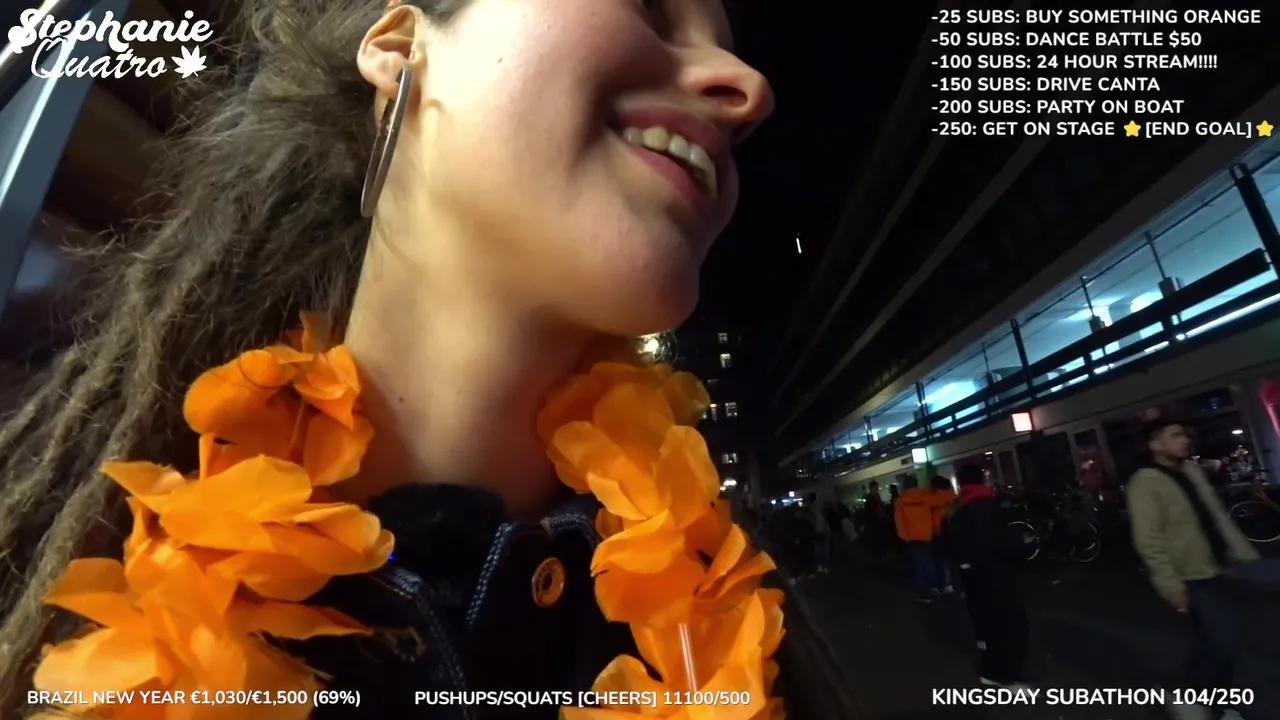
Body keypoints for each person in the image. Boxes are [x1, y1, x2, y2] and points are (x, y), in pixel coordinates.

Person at [0, 1, 794, 718]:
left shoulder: (745, 629)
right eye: (651, 7)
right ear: (400, 46)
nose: (751, 91)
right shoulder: (72, 601)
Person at [1127, 418, 1276, 720]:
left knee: (1225, 639)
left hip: (1220, 567)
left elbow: (1216, 517)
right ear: (1155, 443)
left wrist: (1243, 554)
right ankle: (1192, 695)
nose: (1184, 440)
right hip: (1191, 575)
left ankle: (1212, 700)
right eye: (1175, 435)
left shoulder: (1191, 472)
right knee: (1223, 640)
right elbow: (1148, 540)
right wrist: (1170, 584)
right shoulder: (1145, 482)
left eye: (1185, 435)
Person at [944, 464, 1030, 687]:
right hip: (995, 574)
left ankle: (992, 669)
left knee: (992, 624)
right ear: (982, 480)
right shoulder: (987, 506)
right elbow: (1000, 542)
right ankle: (1002, 675)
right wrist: (1021, 547)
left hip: (975, 575)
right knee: (1009, 624)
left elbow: (953, 544)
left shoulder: (960, 507)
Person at [894, 476, 942, 601]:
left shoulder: (901, 501)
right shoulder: (925, 497)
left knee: (918, 565)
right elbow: (939, 503)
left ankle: (923, 592)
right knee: (929, 562)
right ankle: (933, 586)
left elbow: (899, 521)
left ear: (905, 486)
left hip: (912, 537)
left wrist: (904, 537)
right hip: (926, 535)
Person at [928, 475, 956, 594]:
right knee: (951, 558)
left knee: (939, 559)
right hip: (951, 531)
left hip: (937, 532)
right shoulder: (952, 497)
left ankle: (944, 583)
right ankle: (954, 584)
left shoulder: (933, 498)